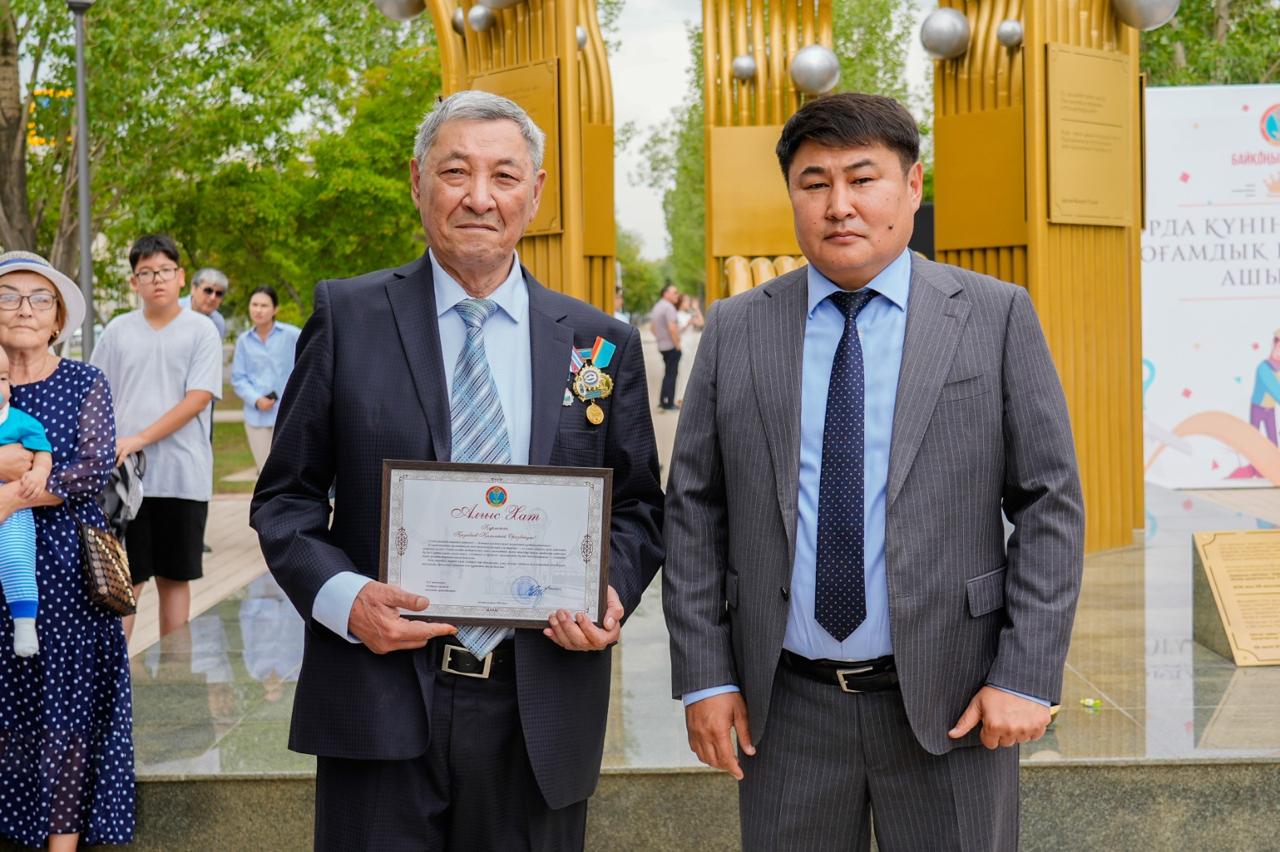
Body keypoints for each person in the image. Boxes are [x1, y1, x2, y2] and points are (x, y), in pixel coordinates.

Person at [663, 92, 1085, 850]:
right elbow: (694, 507)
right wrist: (706, 675)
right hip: (784, 710)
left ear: (912, 185)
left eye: (863, 179)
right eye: (814, 183)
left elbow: (1049, 501)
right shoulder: (736, 327)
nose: (839, 205)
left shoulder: (994, 315)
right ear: (792, 195)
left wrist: (1025, 673)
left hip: (955, 704)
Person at [250, 90, 663, 851]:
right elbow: (285, 499)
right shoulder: (347, 317)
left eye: (504, 175)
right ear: (417, 181)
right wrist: (347, 600)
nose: (479, 197)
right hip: (378, 694)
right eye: (455, 172)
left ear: (536, 192)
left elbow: (638, 506)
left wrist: (609, 592)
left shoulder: (598, 342)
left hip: (540, 703)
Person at [0, 250, 134, 850]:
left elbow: (93, 465)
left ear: (57, 319)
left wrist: (16, 493)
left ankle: (62, 841)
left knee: (67, 703)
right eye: (8, 296)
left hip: (66, 568)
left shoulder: (84, 381)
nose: (23, 309)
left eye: (39, 298)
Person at [91, 234, 223, 641]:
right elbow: (95, 395)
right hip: (124, 480)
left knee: (174, 578)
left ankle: (175, 671)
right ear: (134, 282)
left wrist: (140, 438)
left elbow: (198, 398)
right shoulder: (117, 331)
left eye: (165, 270)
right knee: (124, 582)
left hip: (182, 476)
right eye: (146, 273)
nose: (157, 279)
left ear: (181, 277)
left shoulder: (201, 330)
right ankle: (114, 672)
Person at [0, 345, 55, 656]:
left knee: (16, 557)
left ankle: (24, 623)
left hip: (14, 500)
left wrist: (39, 473)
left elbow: (42, 450)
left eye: (3, 378)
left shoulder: (19, 421)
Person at [230, 286, 300, 473]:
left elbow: (307, 364)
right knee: (266, 473)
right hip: (256, 418)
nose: (258, 310)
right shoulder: (243, 341)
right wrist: (256, 399)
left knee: (289, 471)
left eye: (264, 305)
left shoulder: (292, 335)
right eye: (254, 305)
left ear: (275, 309)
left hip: (288, 415)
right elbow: (238, 378)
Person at [651, 283, 681, 411]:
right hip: (671, 347)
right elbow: (672, 328)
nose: (677, 295)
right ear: (666, 294)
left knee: (667, 374)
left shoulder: (657, 306)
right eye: (674, 292)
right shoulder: (669, 307)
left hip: (662, 346)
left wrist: (660, 338)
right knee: (671, 375)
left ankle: (663, 401)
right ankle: (668, 403)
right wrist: (677, 345)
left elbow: (652, 327)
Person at [179, 267, 229, 340]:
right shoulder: (171, 310)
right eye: (208, 291)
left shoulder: (218, 322)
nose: (213, 297)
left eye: (219, 293)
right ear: (193, 288)